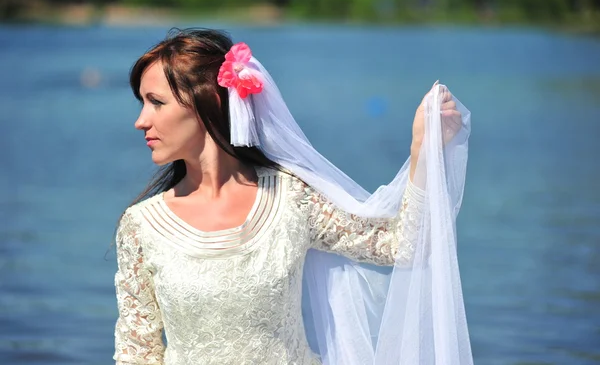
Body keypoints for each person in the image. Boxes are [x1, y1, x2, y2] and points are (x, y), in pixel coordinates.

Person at [113, 28, 472, 365]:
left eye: (155, 102)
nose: (140, 120)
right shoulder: (141, 226)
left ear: (207, 101)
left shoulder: (290, 198)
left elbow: (401, 246)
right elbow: (136, 352)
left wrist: (423, 149)